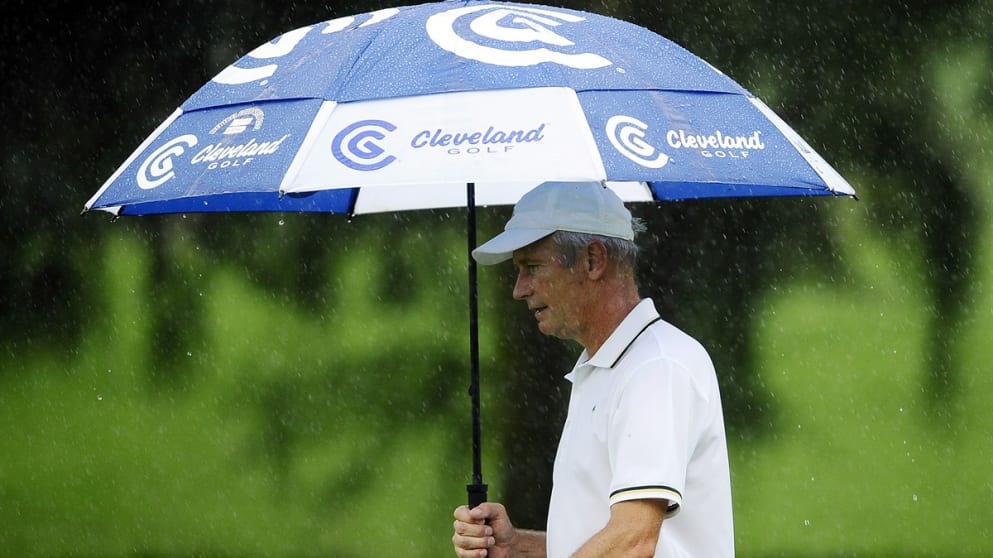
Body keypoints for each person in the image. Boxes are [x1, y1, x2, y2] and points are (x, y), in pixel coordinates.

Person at [451, 181, 734, 558]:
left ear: (593, 260)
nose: (519, 289)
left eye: (532, 267)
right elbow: (609, 540)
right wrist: (518, 547)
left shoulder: (656, 368)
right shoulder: (605, 367)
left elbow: (634, 540)